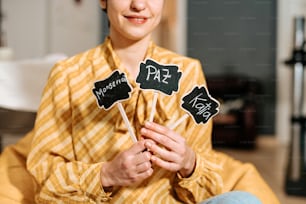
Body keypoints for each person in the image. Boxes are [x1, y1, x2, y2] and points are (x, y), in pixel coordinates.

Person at [0, 0, 279, 203]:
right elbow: (46, 184)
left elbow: (203, 185)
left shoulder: (187, 71)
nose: (138, 5)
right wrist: (107, 174)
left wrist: (189, 162)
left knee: (243, 201)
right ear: (103, 1)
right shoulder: (68, 75)